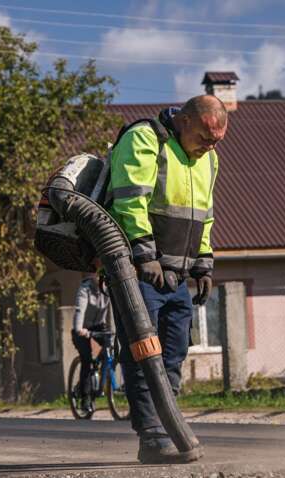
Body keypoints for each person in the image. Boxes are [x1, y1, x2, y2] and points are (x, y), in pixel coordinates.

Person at [106, 95, 227, 464]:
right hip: (138, 273)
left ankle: (169, 428)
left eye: (217, 141)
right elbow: (130, 199)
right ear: (185, 120)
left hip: (175, 276)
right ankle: (153, 437)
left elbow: (204, 215)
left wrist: (204, 261)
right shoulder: (146, 139)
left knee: (173, 354)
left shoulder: (209, 159)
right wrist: (144, 254)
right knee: (145, 356)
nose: (210, 146)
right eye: (206, 136)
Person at [71, 273, 113, 414]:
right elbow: (79, 310)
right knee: (86, 360)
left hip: (99, 326)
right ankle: (86, 398)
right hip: (82, 328)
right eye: (98, 275)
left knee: (111, 347)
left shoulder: (107, 288)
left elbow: (115, 307)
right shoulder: (85, 289)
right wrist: (79, 328)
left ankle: (102, 384)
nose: (101, 277)